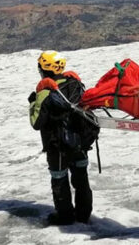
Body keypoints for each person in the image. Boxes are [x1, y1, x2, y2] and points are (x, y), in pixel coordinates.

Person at [28, 50, 93, 225]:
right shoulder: (76, 84)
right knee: (81, 179)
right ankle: (84, 215)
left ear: (44, 68)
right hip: (79, 143)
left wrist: (33, 102)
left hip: (57, 146)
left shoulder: (45, 92)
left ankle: (65, 217)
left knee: (59, 179)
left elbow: (36, 122)